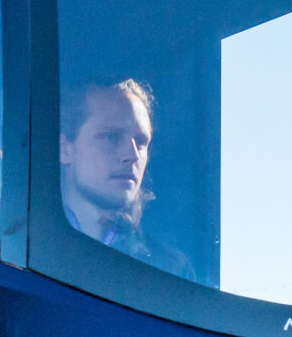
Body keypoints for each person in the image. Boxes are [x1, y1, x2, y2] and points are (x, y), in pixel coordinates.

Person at [59, 77, 196, 279]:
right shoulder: (18, 243)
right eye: (110, 137)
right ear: (65, 149)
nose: (132, 155)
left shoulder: (171, 270)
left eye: (141, 141)